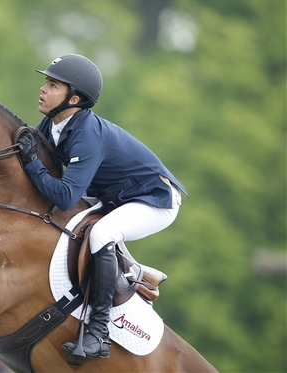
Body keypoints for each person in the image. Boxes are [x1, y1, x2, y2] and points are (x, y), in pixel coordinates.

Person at [18, 54, 187, 360]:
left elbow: (66, 195)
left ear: (74, 99)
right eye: (46, 82)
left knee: (102, 233)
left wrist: (32, 166)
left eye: (53, 85)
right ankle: (135, 270)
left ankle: (99, 333)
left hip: (154, 198)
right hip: (115, 194)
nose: (43, 89)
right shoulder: (53, 122)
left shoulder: (86, 136)